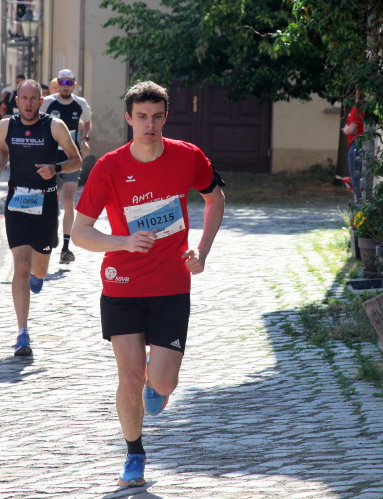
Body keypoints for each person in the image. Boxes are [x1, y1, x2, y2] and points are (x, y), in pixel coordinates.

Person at [71, 81, 225, 487]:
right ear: (129, 119)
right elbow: (80, 233)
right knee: (129, 378)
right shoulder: (109, 167)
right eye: (141, 117)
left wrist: (202, 251)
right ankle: (134, 454)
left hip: (172, 286)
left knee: (162, 382)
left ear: (165, 118)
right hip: (121, 285)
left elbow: (215, 199)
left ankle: (158, 388)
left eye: (156, 117)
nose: (149, 125)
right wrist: (123, 242)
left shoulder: (188, 157)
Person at [0, 79, 82, 356]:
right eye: (23, 98)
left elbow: (76, 159)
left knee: (39, 269)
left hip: (45, 203)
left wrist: (56, 168)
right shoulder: (6, 125)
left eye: (33, 99)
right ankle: (22, 333)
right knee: (20, 264)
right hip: (16, 202)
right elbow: (2, 149)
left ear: (41, 101)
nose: (28, 103)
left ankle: (38, 276)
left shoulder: (54, 126)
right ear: (17, 101)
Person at [39, 69, 92, 264]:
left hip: (72, 157)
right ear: (57, 84)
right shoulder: (48, 103)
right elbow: (37, 123)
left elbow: (87, 122)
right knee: (53, 201)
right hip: (51, 158)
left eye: (69, 83)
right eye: (63, 82)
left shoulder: (80, 104)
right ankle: (52, 227)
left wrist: (85, 139)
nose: (66, 86)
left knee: (69, 201)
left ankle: (66, 247)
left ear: (74, 85)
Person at [341, 93, 365, 201]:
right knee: (361, 175)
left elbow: (351, 129)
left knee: (355, 176)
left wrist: (345, 129)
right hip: (361, 142)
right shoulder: (366, 106)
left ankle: (358, 202)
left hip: (356, 143)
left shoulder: (357, 107)